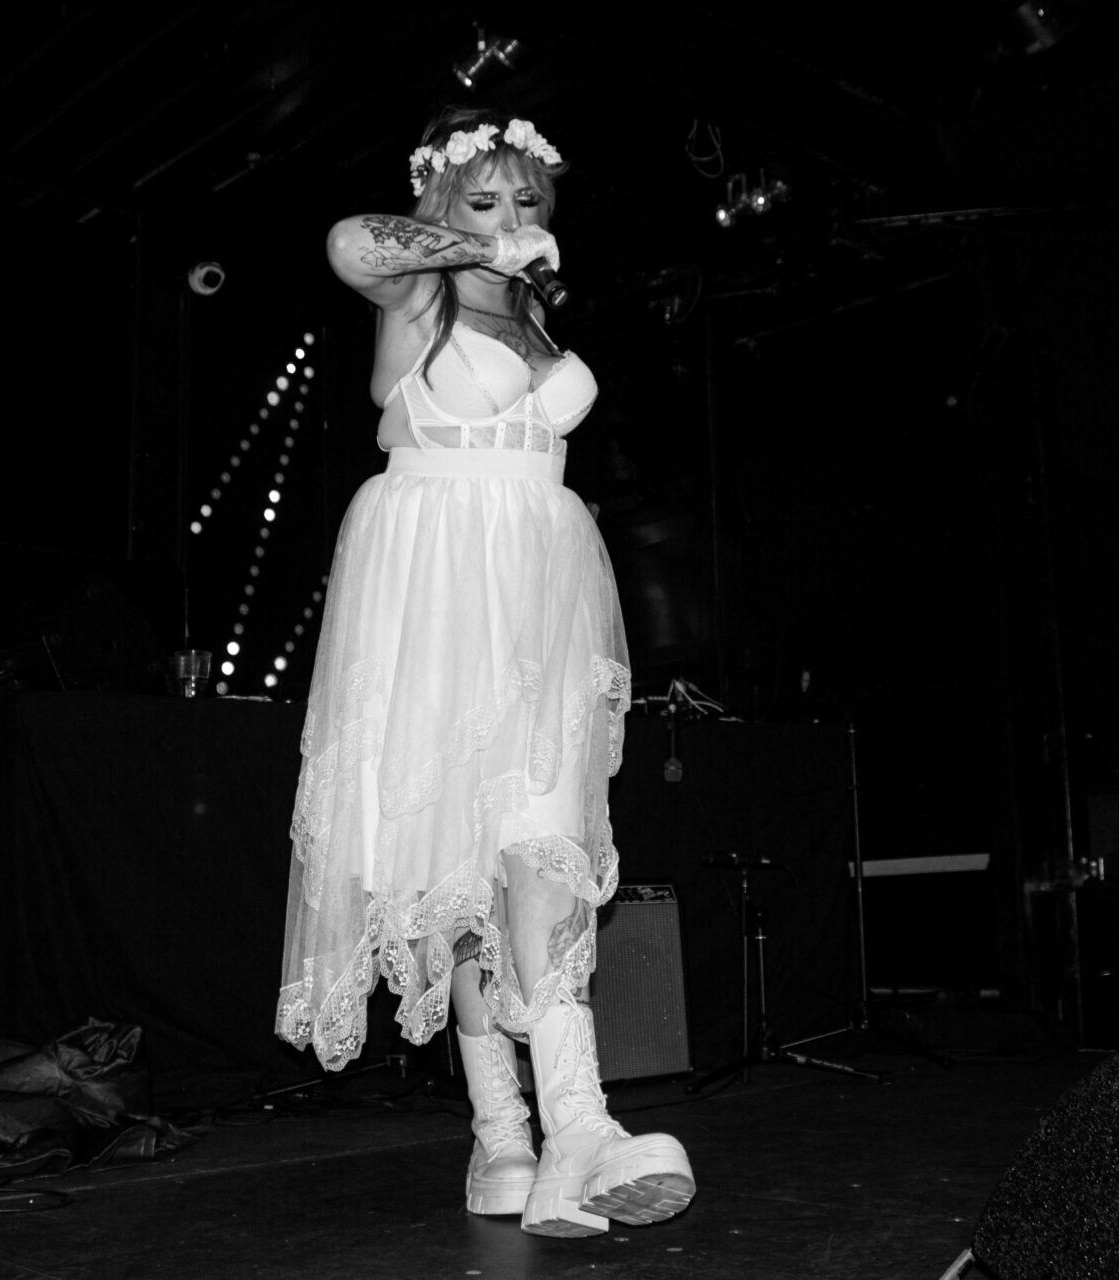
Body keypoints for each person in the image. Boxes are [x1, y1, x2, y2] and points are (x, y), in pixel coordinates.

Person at [275, 106, 694, 1237]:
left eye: (527, 202)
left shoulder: (543, 325)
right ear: (443, 207)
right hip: (430, 582)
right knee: (454, 874)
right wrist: (473, 251)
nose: (514, 220)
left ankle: (578, 1129)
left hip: (539, 589)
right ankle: (505, 1134)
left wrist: (515, 272)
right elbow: (348, 241)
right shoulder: (422, 288)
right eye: (483, 199)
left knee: (541, 842)